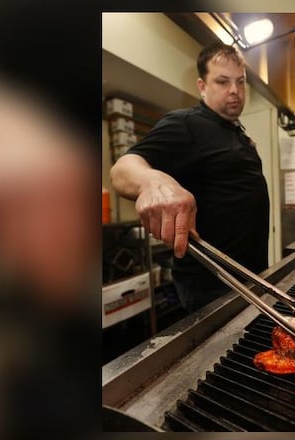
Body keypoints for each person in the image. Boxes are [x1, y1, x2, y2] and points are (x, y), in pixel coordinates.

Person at [110, 42, 270, 313]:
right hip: (211, 286)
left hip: (250, 276)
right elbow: (122, 170)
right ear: (202, 86)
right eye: (222, 81)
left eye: (240, 82)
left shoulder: (237, 132)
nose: (235, 90)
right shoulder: (186, 124)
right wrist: (154, 181)